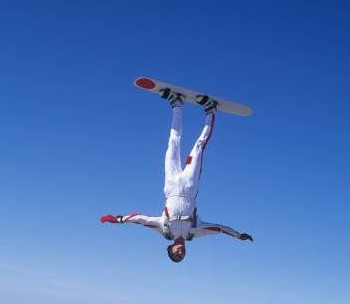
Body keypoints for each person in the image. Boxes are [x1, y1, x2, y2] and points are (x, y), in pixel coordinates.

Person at [101, 93, 253, 262]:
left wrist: (120, 219)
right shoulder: (194, 232)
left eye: (176, 254)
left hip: (171, 185)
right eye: (182, 255)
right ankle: (210, 111)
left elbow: (142, 220)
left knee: (173, 143)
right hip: (189, 186)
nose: (180, 252)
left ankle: (177, 105)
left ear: (171, 249)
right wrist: (237, 235)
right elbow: (218, 229)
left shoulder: (164, 229)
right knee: (199, 147)